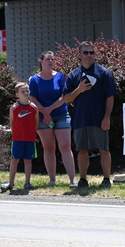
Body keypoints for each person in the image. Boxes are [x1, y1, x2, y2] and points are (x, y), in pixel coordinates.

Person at [63, 41, 118, 188]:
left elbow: (110, 97)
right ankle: (83, 180)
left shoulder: (103, 73)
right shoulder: (73, 75)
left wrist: (106, 117)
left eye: (91, 52)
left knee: (104, 149)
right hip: (80, 119)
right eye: (86, 52)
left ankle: (106, 179)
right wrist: (79, 90)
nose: (89, 55)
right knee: (81, 150)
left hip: (99, 118)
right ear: (80, 54)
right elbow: (66, 98)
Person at [29, 51, 77, 186]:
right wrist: (45, 113)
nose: (51, 62)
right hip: (43, 117)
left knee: (65, 147)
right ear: (41, 61)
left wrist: (50, 109)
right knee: (49, 148)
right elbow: (33, 99)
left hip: (61, 114)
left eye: (52, 60)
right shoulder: (34, 79)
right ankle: (52, 180)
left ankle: (73, 179)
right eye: (48, 59)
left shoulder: (60, 77)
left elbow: (64, 96)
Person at [0, 82, 39, 192]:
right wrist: (16, 134)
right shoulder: (14, 108)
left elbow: (36, 123)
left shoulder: (34, 107)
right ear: (17, 94)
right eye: (23, 91)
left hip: (30, 139)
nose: (26, 93)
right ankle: (11, 183)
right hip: (17, 139)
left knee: (28, 160)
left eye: (27, 91)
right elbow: (12, 123)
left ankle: (27, 182)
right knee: (15, 159)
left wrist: (31, 133)